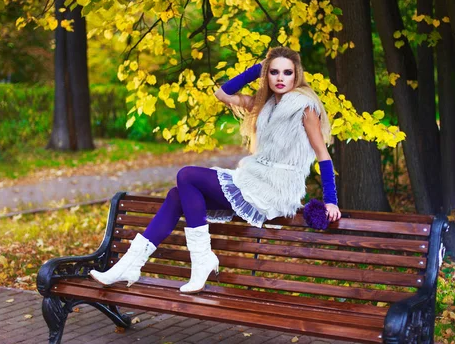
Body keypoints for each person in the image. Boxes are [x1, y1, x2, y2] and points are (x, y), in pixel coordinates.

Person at [89, 46, 340, 294]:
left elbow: (322, 154)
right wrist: (257, 69)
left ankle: (201, 260)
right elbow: (222, 93)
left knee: (187, 174)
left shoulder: (304, 107)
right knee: (177, 195)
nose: (280, 78)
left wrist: (331, 200)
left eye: (287, 73)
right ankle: (130, 265)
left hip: (275, 187)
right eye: (274, 72)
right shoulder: (265, 105)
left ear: (296, 75)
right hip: (253, 178)